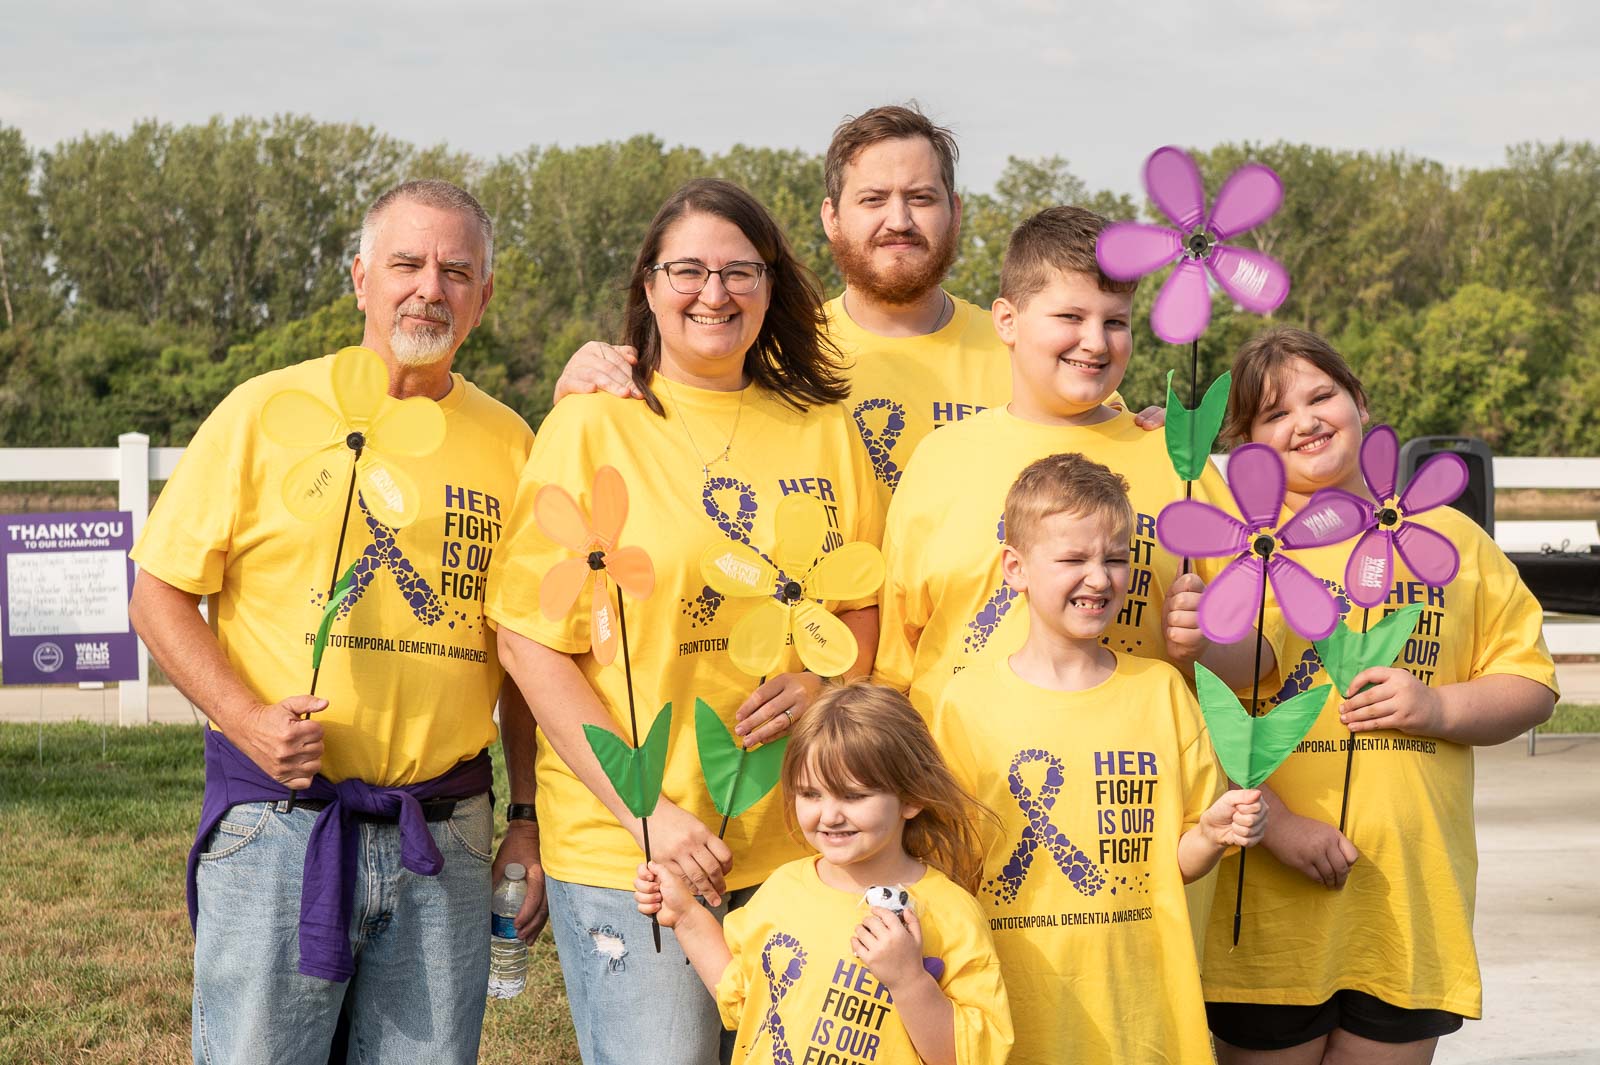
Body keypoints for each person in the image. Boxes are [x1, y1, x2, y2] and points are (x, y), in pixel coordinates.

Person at [127, 179, 540, 1064]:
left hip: (446, 832)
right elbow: (158, 593)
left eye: (457, 269)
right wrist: (245, 718)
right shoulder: (265, 411)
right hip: (281, 821)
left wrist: (529, 814)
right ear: (361, 278)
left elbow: (527, 652)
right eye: (407, 263)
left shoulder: (514, 444)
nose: (430, 286)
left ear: (483, 297)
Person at [484, 178, 885, 1065]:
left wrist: (825, 680)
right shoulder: (592, 425)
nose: (715, 292)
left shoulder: (825, 427)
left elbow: (864, 602)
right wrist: (649, 813)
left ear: (773, 286)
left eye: (741, 271)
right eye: (689, 270)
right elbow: (527, 642)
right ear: (649, 284)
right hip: (635, 847)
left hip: (802, 841)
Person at [1200, 328, 1558, 1065]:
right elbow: (1200, 699)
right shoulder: (1241, 545)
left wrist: (1439, 709)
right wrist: (1276, 822)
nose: (1303, 419)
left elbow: (1531, 684)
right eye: (1272, 414)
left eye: (1320, 394)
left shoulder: (1452, 542)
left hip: (1407, 900)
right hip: (1269, 915)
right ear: (1247, 443)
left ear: (1359, 400)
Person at [550, 104, 1161, 512]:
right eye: (873, 199)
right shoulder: (768, 348)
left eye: (920, 198)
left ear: (955, 210)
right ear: (832, 216)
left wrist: (1156, 439)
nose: (898, 221)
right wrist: (582, 383)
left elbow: (1114, 453)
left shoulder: (1027, 345)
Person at [929, 452, 1267, 1063]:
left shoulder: (1163, 692)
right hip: (1014, 1011)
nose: (1099, 578)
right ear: (1016, 567)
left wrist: (1215, 834)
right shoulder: (965, 704)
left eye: (1115, 559)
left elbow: (1179, 864)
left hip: (1141, 1017)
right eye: (1072, 559)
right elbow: (947, 871)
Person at [875, 205, 1275, 719]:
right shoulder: (939, 459)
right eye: (1070, 316)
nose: (1095, 342)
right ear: (1007, 321)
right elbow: (895, 665)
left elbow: (1265, 653)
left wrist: (1204, 646)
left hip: (1138, 785)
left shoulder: (1176, 460)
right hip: (960, 786)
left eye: (1115, 322)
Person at [635, 682, 1014, 1065]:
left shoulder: (952, 915)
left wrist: (909, 981)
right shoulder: (784, 889)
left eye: (853, 795)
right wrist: (684, 916)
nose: (829, 816)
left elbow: (967, 1057)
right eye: (810, 794)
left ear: (911, 797)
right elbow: (741, 997)